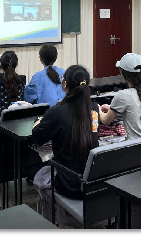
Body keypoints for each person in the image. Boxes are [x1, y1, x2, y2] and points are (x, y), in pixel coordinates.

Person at [32, 65, 99, 199]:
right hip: (93, 182)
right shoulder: (94, 108)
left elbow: (38, 138)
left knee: (39, 176)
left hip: (68, 184)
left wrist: (38, 122)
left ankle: (54, 211)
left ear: (65, 84)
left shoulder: (57, 111)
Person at [99, 53, 141, 141]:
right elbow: (135, 110)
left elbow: (105, 121)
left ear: (122, 74)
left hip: (134, 147)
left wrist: (97, 108)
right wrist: (111, 109)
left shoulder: (122, 95)